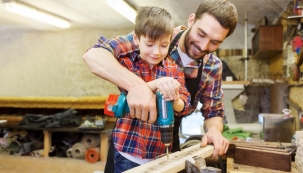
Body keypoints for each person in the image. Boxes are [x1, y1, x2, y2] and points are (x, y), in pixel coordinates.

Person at [83, 0, 238, 172]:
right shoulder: (157, 34)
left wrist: (215, 130)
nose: (203, 46)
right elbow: (94, 55)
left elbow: (214, 112)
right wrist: (138, 87)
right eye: (201, 34)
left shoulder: (213, 66)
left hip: (166, 142)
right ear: (192, 20)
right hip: (129, 140)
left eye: (215, 42)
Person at [94, 6, 191, 172]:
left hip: (159, 153)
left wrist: (175, 98)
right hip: (127, 150)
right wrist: (155, 85)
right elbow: (99, 53)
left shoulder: (174, 70)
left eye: (163, 45)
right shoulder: (128, 63)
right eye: (150, 44)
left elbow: (185, 105)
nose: (156, 52)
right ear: (136, 39)